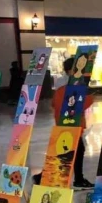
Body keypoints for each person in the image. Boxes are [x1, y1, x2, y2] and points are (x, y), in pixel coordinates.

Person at [32, 57, 94, 189]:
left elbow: (54, 104)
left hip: (67, 124)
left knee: (70, 152)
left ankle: (42, 177)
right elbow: (78, 106)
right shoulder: (70, 87)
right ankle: (76, 179)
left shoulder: (63, 86)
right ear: (71, 71)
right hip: (70, 125)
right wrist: (90, 97)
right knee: (72, 152)